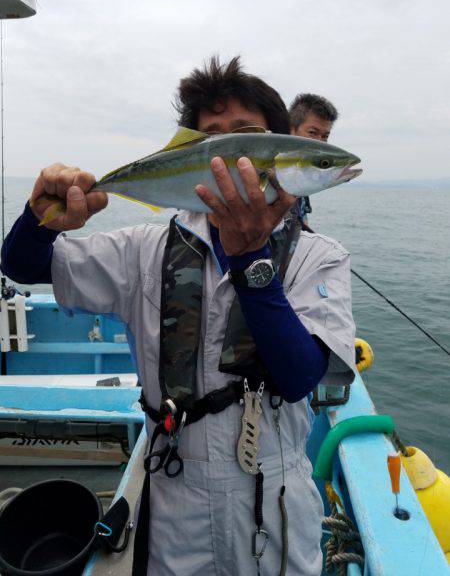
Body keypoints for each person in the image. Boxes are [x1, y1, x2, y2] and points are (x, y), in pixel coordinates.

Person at [1, 57, 355, 575]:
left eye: (245, 135)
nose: (229, 154)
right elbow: (25, 263)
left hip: (273, 500)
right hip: (174, 494)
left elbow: (300, 376)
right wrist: (40, 219)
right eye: (210, 138)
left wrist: (251, 256)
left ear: (274, 150)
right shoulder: (145, 249)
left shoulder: (317, 257)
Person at [289, 93, 339, 226]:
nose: (320, 143)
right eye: (312, 132)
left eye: (325, 136)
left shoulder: (301, 179)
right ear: (291, 129)